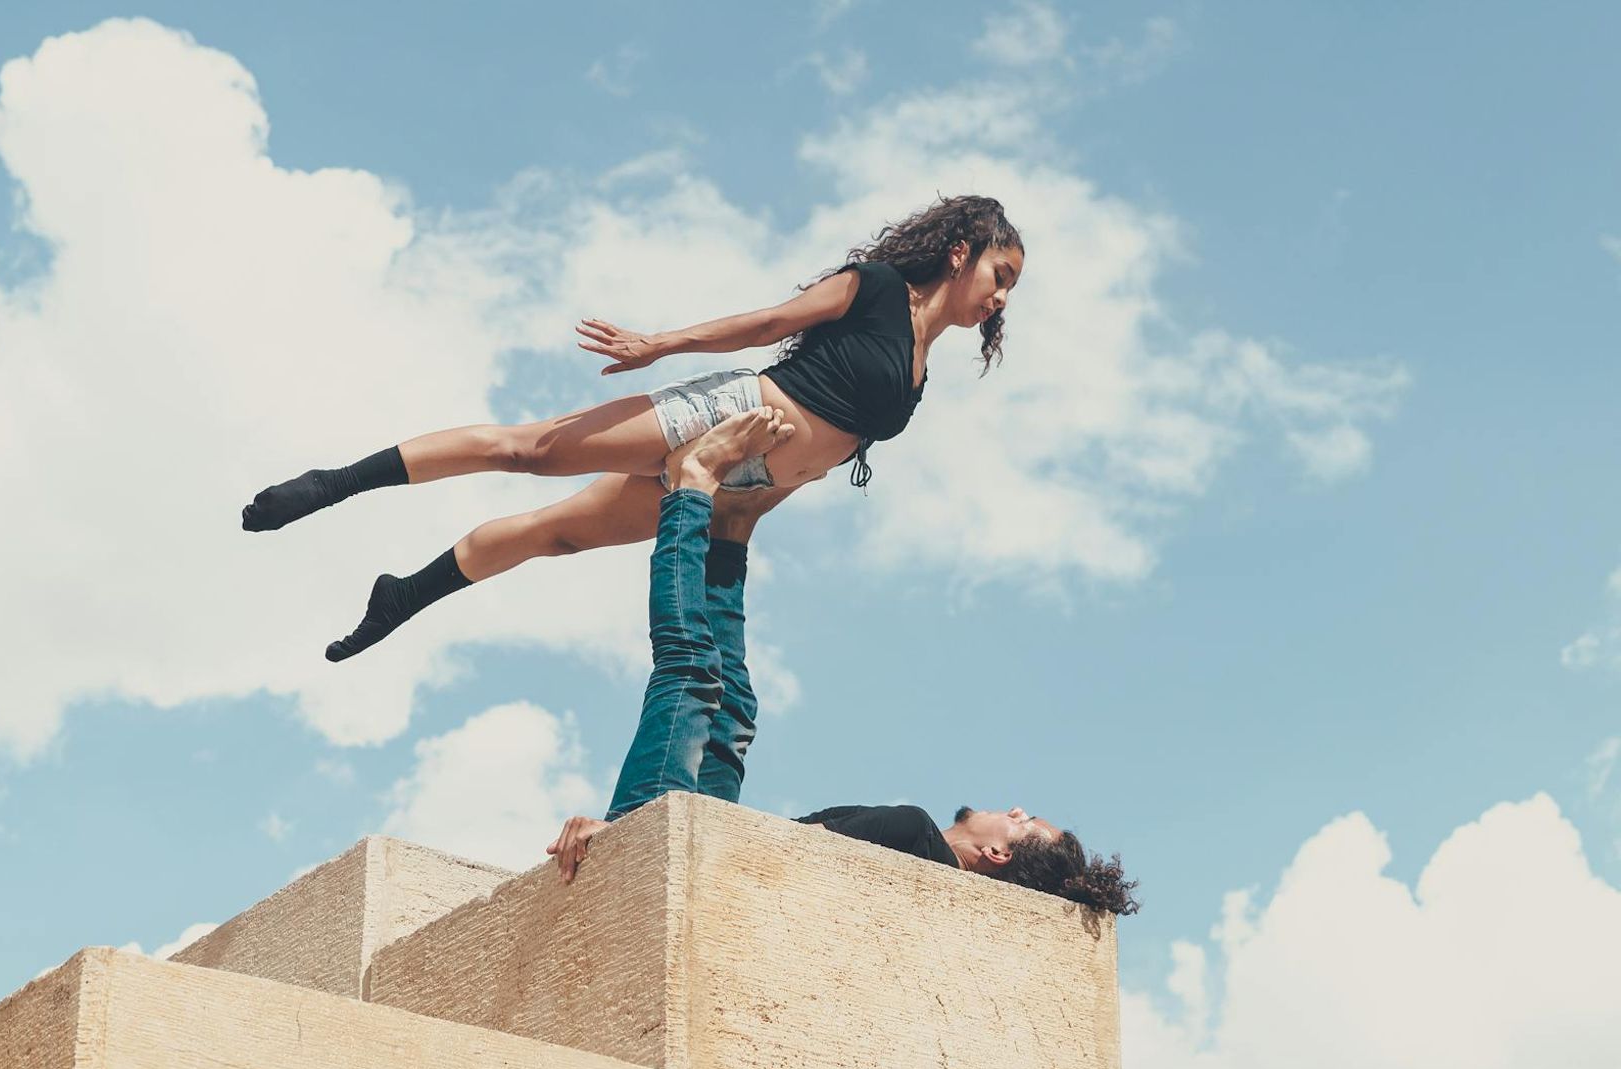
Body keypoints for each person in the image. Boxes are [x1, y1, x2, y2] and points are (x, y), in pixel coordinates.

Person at [240, 195, 1025, 662]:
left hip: (732, 481)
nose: (1000, 297)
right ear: (961, 253)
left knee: (557, 534)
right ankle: (329, 485)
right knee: (530, 450)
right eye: (1000, 275)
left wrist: (740, 523)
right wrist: (660, 344)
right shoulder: (877, 289)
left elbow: (823, 460)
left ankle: (405, 596)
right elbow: (766, 323)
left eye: (1011, 289)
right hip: (723, 412)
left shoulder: (920, 378)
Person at [541, 414, 1139, 917]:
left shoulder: (914, 831)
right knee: (734, 709)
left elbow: (777, 855)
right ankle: (734, 528)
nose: (1015, 809)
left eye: (1024, 823)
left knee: (691, 667)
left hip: (707, 863)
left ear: (1000, 857)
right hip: (720, 859)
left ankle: (692, 487)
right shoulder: (927, 871)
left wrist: (628, 836)